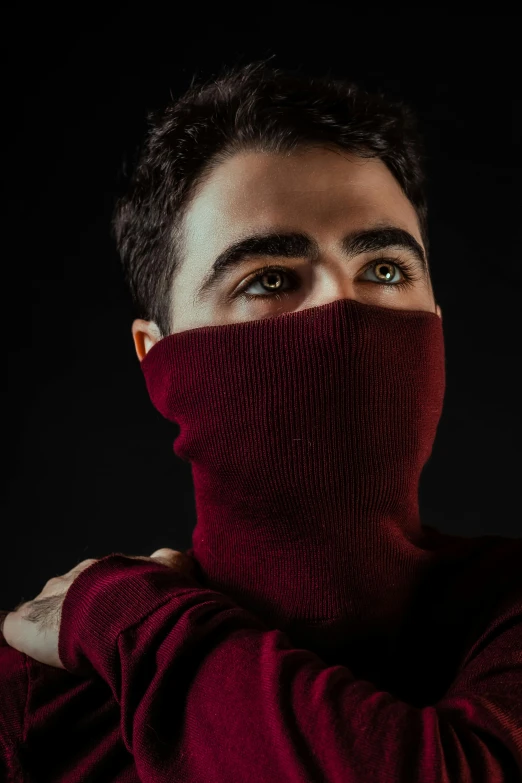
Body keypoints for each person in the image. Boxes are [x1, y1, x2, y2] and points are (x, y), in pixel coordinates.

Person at [1, 59, 521, 783]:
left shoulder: (509, 616)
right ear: (159, 357)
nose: (342, 314)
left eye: (384, 269)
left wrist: (144, 630)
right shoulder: (45, 704)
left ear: (436, 323)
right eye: (270, 278)